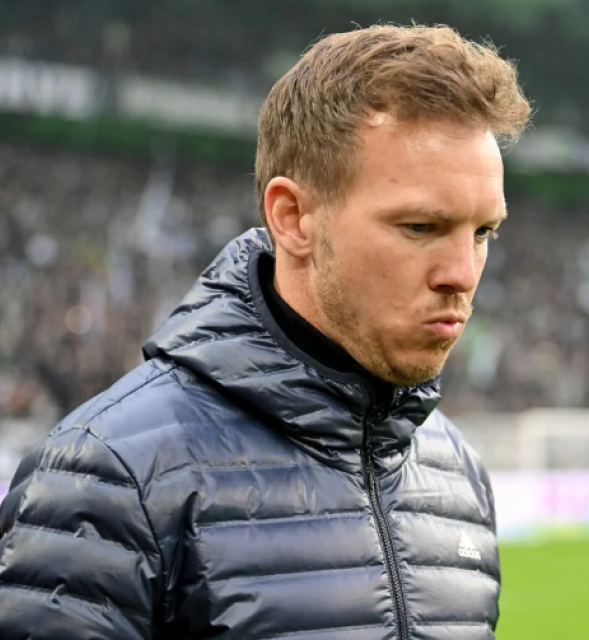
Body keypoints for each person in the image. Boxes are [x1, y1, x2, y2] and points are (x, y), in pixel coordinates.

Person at [0, 23, 531, 640]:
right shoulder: (106, 480)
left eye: (483, 232)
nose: (462, 273)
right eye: (420, 227)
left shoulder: (456, 472)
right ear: (294, 217)